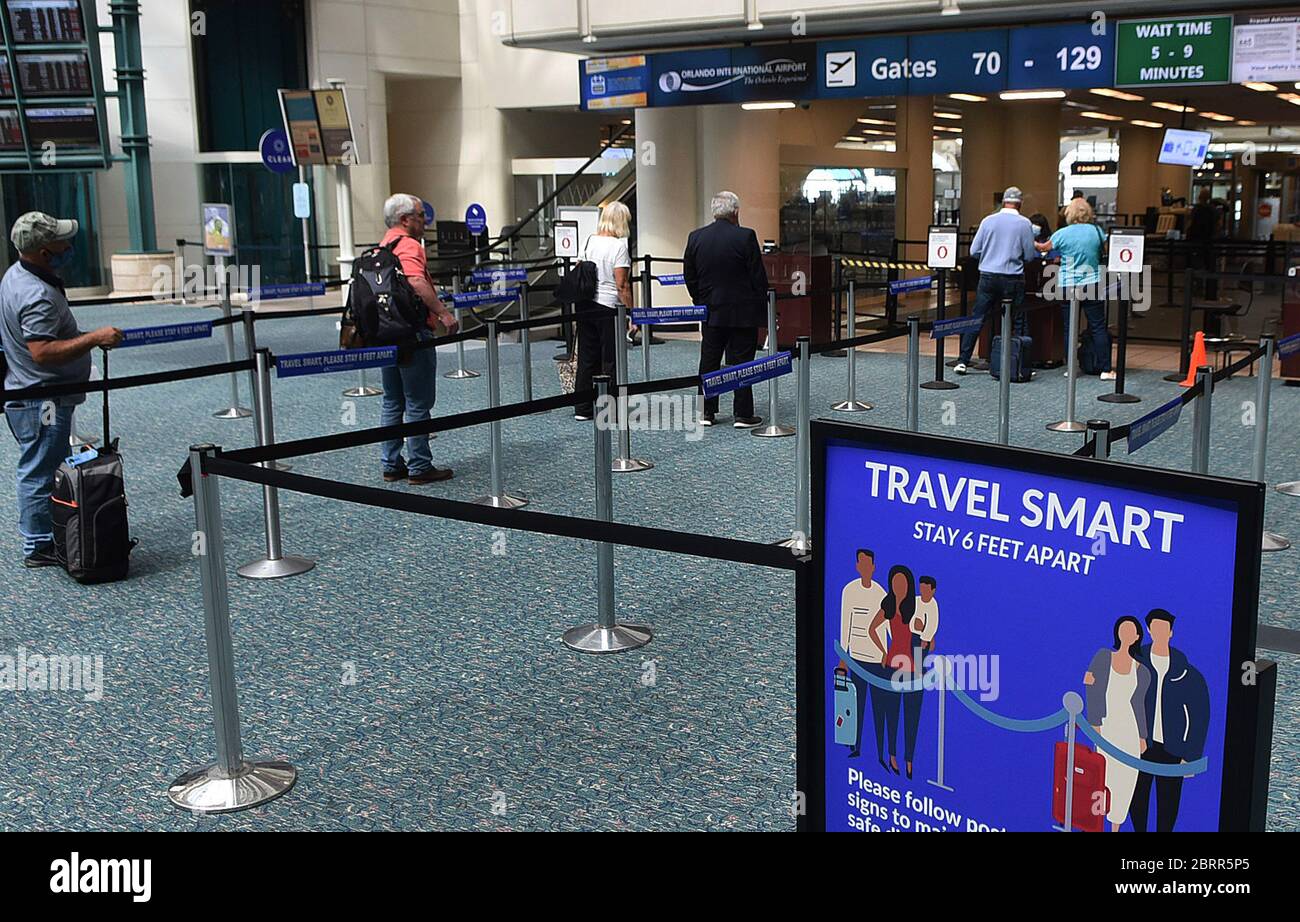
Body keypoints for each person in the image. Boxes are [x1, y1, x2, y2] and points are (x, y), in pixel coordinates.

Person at [0, 212, 122, 567]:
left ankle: (44, 536)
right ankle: (38, 546)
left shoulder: (19, 274)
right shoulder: (35, 293)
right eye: (60, 241)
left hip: (30, 392)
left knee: (40, 464)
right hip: (41, 397)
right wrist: (94, 338)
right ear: (42, 251)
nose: (68, 245)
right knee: (39, 469)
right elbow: (41, 352)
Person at [377, 193, 459, 484]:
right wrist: (443, 313)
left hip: (386, 333)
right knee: (417, 402)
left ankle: (391, 463)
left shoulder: (383, 245)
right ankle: (420, 466)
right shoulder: (409, 245)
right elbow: (415, 281)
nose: (425, 221)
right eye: (421, 215)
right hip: (412, 334)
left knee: (392, 401)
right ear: (405, 220)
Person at [683, 191, 768, 428]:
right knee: (742, 362)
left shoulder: (696, 237)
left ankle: (706, 412)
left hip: (710, 312)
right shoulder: (746, 236)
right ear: (736, 212)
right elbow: (757, 277)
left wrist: (699, 300)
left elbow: (689, 275)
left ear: (714, 211)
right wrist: (761, 304)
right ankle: (742, 413)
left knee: (709, 360)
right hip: (743, 313)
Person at [1130, 609, 1209, 833]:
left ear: (1171, 632)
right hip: (1140, 744)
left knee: (1169, 802)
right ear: (1148, 630)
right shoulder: (1135, 664)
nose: (1160, 632)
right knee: (1137, 797)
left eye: (1164, 628)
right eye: (1155, 627)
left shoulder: (1188, 673)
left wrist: (1191, 755)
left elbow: (1199, 716)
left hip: (1173, 749)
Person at [955, 186, 1039, 375]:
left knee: (978, 317)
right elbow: (1029, 255)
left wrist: (990, 254)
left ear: (1003, 201)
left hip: (988, 276)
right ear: (1020, 203)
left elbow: (974, 251)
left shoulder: (988, 220)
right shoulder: (1024, 223)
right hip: (1013, 277)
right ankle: (1021, 363)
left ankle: (963, 360)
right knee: (1018, 320)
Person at [1085, 616, 1152, 832]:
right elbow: (1091, 688)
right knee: (1104, 778)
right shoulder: (1104, 657)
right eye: (1123, 628)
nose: (1126, 633)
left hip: (1129, 732)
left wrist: (1142, 737)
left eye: (1131, 630)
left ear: (1137, 636)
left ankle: (1115, 829)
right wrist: (1095, 723)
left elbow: (1139, 705)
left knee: (1125, 783)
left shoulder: (1142, 671)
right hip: (1107, 727)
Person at [1037, 197, 1114, 379]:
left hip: (1067, 284)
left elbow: (1043, 248)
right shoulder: (1096, 231)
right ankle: (1105, 369)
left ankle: (1071, 367)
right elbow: (1105, 250)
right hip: (1091, 282)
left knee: (1069, 327)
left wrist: (1028, 239)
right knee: (1097, 326)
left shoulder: (1062, 234)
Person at [573, 201, 634, 421]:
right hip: (608, 307)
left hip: (585, 304)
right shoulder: (619, 247)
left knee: (587, 356)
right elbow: (622, 285)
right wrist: (631, 313)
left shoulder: (589, 241)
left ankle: (583, 407)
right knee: (610, 357)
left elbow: (579, 269)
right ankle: (609, 407)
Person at [868, 564, 922, 778]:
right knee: (892, 714)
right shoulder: (888, 607)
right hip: (891, 667)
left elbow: (926, 640)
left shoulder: (916, 609)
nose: (899, 586)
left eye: (903, 582)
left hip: (912, 670)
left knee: (911, 717)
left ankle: (909, 760)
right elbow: (872, 629)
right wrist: (882, 651)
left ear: (909, 584)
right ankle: (892, 755)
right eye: (895, 582)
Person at [837, 549, 888, 764]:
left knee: (879, 706)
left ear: (874, 567)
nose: (865, 567)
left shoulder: (881, 593)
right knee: (855, 705)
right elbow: (845, 624)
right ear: (857, 566)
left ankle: (879, 751)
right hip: (856, 657)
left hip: (878, 659)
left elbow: (888, 625)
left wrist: (893, 654)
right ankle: (855, 746)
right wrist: (844, 657)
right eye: (861, 563)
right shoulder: (849, 591)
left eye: (869, 564)